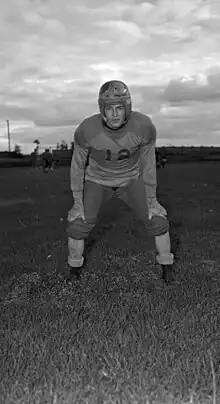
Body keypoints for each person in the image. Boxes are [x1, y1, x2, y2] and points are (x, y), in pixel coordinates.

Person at [66, 80, 175, 284]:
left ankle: (167, 267)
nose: (115, 114)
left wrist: (151, 199)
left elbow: (149, 164)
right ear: (102, 110)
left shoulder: (143, 126)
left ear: (128, 108)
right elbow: (77, 166)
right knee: (78, 224)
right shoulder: (87, 130)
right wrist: (77, 202)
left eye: (119, 108)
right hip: (97, 180)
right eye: (109, 109)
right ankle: (74, 271)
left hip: (131, 180)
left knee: (157, 220)